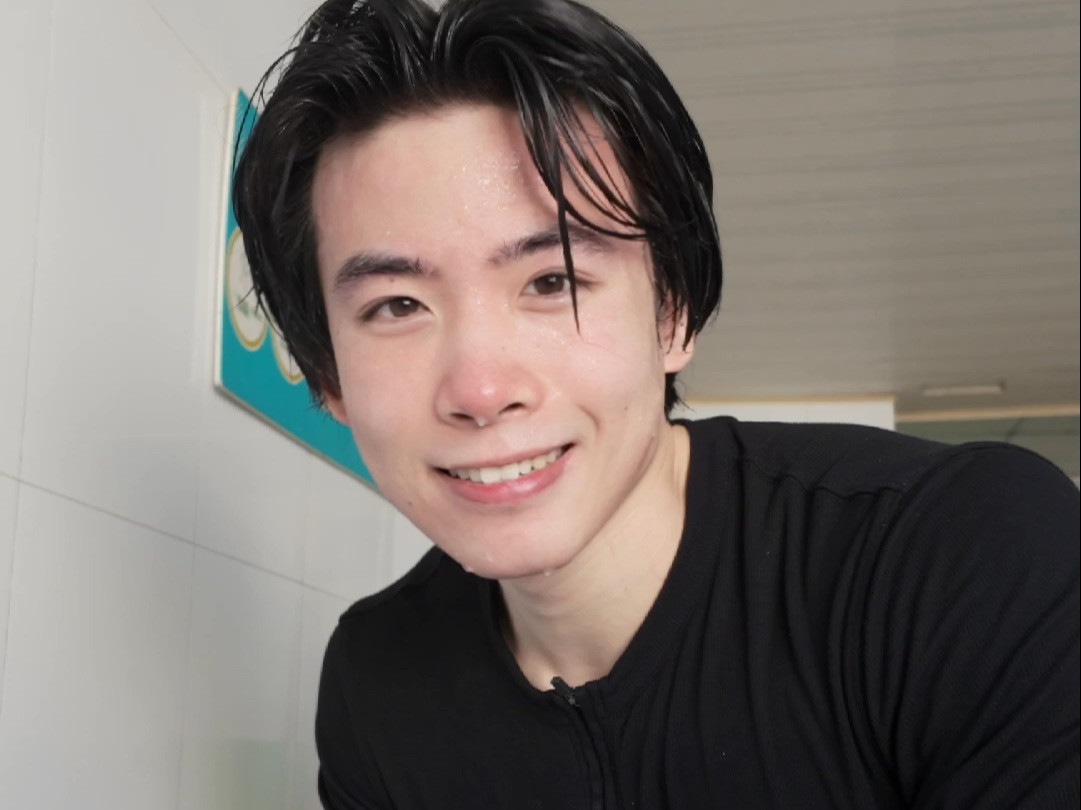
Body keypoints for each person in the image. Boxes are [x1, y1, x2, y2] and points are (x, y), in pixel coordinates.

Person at [232, 0, 1080, 807]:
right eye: (396, 306)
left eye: (553, 280)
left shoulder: (962, 555)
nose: (482, 392)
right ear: (328, 376)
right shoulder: (375, 685)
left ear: (672, 313)